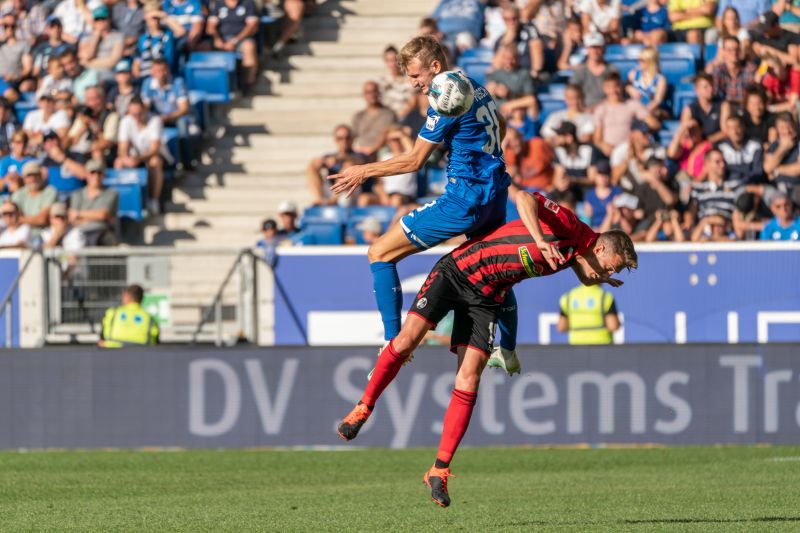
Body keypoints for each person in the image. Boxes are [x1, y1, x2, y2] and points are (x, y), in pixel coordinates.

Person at [336, 190, 637, 507]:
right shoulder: (571, 225)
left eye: (610, 273)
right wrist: (539, 237)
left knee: (469, 379)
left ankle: (439, 471)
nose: (606, 273)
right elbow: (524, 198)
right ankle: (363, 408)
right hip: (456, 272)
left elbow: (585, 271)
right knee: (408, 338)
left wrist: (599, 280)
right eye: (609, 267)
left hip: (487, 297)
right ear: (600, 247)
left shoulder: (580, 253)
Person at [327, 36, 519, 361]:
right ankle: (510, 350)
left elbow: (414, 161)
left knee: (380, 253)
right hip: (494, 194)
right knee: (494, 271)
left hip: (463, 200)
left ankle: (392, 343)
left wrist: (363, 171)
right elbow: (499, 124)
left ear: (435, 66)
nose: (415, 84)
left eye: (417, 76)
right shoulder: (472, 83)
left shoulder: (444, 98)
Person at [115, 95, 166, 214]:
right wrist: (125, 158)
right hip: (135, 157)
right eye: (134, 114)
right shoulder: (125, 121)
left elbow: (154, 148)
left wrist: (138, 158)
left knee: (155, 162)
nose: (137, 117)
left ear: (144, 110)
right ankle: (123, 202)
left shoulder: (155, 120)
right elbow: (122, 147)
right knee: (118, 162)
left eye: (139, 113)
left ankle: (153, 200)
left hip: (152, 156)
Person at [593, 71, 660, 158]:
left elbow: (654, 124)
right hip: (608, 153)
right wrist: (603, 146)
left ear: (622, 87)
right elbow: (597, 139)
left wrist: (640, 132)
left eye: (616, 86)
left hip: (629, 150)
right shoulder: (600, 109)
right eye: (609, 87)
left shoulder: (632, 105)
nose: (613, 91)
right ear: (604, 89)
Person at [206, 0, 259, 95]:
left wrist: (235, 40)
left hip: (241, 39)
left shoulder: (248, 3)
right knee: (202, 48)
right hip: (221, 39)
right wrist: (217, 39)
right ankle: (209, 85)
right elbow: (210, 27)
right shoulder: (218, 3)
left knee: (249, 47)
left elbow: (252, 26)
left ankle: (247, 84)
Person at [69, 158, 119, 246]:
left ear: (103, 175)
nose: (96, 176)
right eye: (92, 172)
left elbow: (103, 214)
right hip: (80, 233)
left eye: (99, 173)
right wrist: (96, 217)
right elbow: (72, 219)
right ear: (87, 174)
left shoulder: (111, 193)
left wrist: (78, 214)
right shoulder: (77, 194)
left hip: (102, 233)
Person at [569, 32, 618, 110]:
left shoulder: (611, 69)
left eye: (598, 47)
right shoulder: (580, 72)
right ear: (587, 49)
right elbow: (572, 94)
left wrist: (595, 108)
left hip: (608, 110)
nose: (595, 51)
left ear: (603, 48)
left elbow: (615, 94)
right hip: (584, 111)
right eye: (592, 47)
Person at [351, 81, 397, 159]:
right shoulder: (358, 116)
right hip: (361, 152)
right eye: (368, 92)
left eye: (374, 91)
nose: (372, 95)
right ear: (364, 95)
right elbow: (353, 137)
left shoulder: (389, 114)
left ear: (379, 93)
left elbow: (388, 135)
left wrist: (372, 149)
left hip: (382, 152)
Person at [11, 161, 57, 237]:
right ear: (24, 178)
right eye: (29, 175)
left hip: (44, 233)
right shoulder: (18, 194)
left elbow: (42, 219)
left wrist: (19, 219)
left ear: (41, 176)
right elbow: (12, 218)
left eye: (36, 175)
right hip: (21, 233)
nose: (33, 178)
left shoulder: (50, 191)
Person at [78, 4, 124, 79]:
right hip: (88, 75)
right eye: (97, 19)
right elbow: (86, 56)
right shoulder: (86, 37)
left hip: (108, 75)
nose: (100, 22)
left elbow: (112, 62)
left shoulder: (117, 36)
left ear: (109, 19)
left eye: (103, 18)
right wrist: (96, 36)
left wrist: (89, 63)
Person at [710, 36, 756, 103]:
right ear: (724, 52)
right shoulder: (718, 71)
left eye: (736, 49)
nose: (734, 53)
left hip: (745, 108)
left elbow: (754, 93)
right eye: (729, 50)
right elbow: (714, 95)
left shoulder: (749, 68)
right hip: (726, 109)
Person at [626, 47, 668, 115]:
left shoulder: (660, 79)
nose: (639, 62)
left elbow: (657, 101)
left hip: (651, 111)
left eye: (642, 60)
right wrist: (628, 88)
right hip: (634, 110)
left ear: (650, 61)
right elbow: (624, 87)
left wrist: (643, 112)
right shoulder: (633, 74)